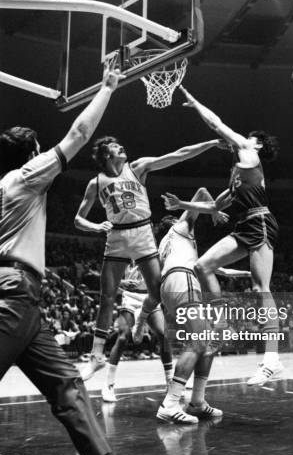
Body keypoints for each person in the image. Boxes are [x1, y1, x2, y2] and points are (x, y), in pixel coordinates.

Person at [0, 63, 142, 455]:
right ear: (31, 154)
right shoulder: (24, 178)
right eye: (39, 149)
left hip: (26, 299)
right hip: (13, 292)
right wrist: (107, 88)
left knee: (67, 384)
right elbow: (77, 137)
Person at [75, 131, 224, 381]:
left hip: (143, 233)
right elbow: (78, 219)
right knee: (107, 295)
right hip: (117, 237)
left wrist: (209, 143)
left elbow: (177, 155)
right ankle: (96, 356)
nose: (121, 146)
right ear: (105, 154)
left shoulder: (138, 167)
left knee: (157, 293)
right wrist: (95, 226)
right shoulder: (96, 183)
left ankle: (150, 323)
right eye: (115, 145)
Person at [162, 85, 284, 386]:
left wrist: (194, 100)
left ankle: (272, 359)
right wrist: (182, 205)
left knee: (260, 289)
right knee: (201, 266)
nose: (242, 138)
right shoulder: (237, 174)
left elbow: (216, 124)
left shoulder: (249, 154)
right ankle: (220, 318)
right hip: (243, 227)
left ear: (256, 145)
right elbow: (215, 206)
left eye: (248, 137)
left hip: (260, 223)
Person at [157, 188, 247, 424]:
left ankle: (197, 401)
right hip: (182, 281)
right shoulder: (180, 226)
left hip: (171, 287)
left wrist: (236, 272)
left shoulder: (167, 247)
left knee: (208, 341)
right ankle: (170, 403)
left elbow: (208, 266)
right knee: (199, 339)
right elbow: (201, 192)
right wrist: (214, 209)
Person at [102, 260, 174, 402]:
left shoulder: (155, 256)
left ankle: (170, 382)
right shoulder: (125, 254)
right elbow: (108, 277)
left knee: (164, 335)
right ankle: (108, 384)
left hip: (149, 297)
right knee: (123, 337)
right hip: (129, 297)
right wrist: (122, 282)